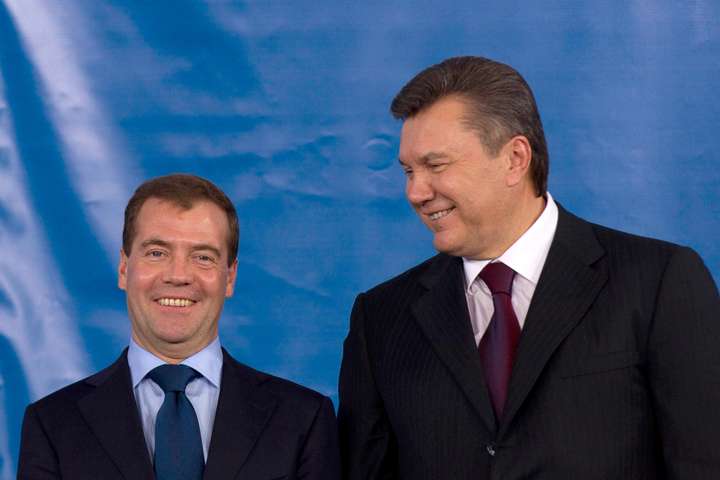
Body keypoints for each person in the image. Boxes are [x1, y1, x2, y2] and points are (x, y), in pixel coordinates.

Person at [338, 56, 720, 479]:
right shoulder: (381, 319)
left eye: (436, 165)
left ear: (515, 159)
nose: (415, 192)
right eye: (409, 171)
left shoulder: (658, 282)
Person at [18, 174, 340, 479]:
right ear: (123, 268)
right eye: (157, 253)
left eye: (203, 257)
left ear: (230, 277)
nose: (178, 275)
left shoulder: (304, 420)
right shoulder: (51, 425)